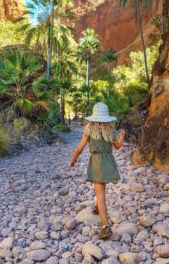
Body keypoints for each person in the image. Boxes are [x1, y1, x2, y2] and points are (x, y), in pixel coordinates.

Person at [68, 102, 125, 239]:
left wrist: (73, 159)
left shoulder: (89, 129)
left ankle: (105, 227)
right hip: (108, 162)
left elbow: (80, 148)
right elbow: (117, 146)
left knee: (101, 195)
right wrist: (122, 136)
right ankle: (96, 207)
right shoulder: (111, 130)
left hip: (96, 163)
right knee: (101, 190)